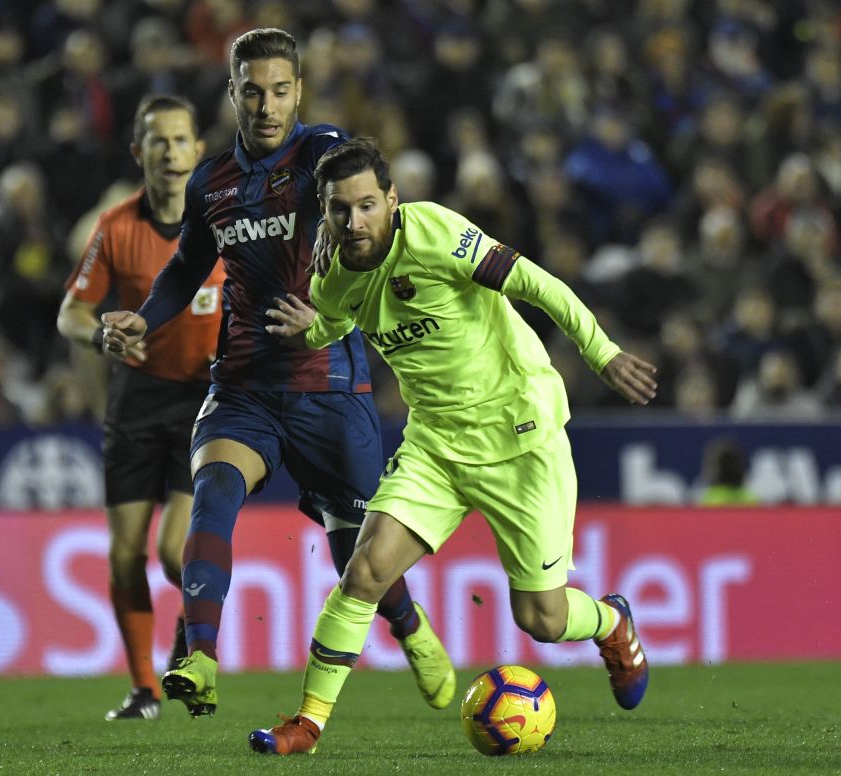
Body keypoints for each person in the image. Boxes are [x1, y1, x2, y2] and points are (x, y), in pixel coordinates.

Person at [250, 138, 659, 755]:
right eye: (341, 210)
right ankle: (307, 724)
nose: (355, 221)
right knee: (363, 572)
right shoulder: (332, 274)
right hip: (435, 446)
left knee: (542, 620)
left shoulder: (436, 233)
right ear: (326, 211)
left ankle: (612, 621)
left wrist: (601, 352)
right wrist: (313, 328)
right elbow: (335, 321)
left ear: (392, 199)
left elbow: (536, 283)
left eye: (367, 205)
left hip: (520, 439)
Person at [100, 29, 453, 718]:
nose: (267, 105)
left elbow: (364, 195)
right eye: (253, 91)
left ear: (299, 91)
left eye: (281, 90)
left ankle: (412, 631)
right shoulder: (211, 184)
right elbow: (185, 267)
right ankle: (198, 655)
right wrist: (146, 316)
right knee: (214, 489)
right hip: (242, 385)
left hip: (329, 384)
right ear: (232, 92)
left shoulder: (320, 154)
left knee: (359, 552)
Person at [57, 94, 224, 721]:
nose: (172, 152)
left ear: (198, 151)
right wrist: (100, 331)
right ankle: (144, 690)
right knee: (126, 554)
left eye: (182, 140)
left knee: (176, 552)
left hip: (205, 401)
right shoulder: (116, 227)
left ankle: (195, 646)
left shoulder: (222, 226)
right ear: (139, 153)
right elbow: (70, 311)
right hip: (136, 399)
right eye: (159, 141)